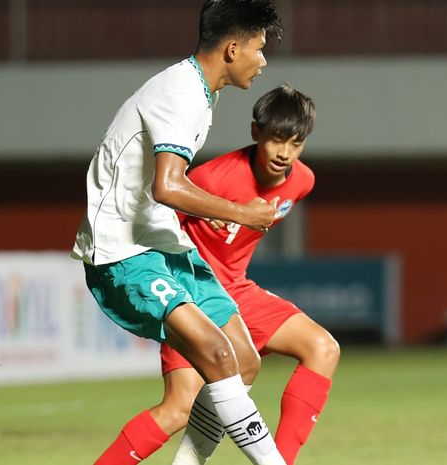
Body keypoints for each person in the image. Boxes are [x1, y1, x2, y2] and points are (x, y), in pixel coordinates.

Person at [70, 1, 287, 464]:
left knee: (243, 360)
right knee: (216, 354)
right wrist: (240, 212)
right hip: (123, 251)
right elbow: (166, 185)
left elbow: (167, 186)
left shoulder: (198, 91)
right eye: (259, 48)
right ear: (233, 49)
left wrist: (210, 211)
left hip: (162, 244)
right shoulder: (181, 94)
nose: (264, 60)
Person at [155, 84, 340, 465]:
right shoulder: (209, 179)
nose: (284, 152)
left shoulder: (302, 181)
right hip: (194, 297)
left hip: (239, 293)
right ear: (256, 132)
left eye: (295, 142)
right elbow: (157, 228)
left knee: (323, 348)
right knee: (178, 409)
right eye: (275, 139)